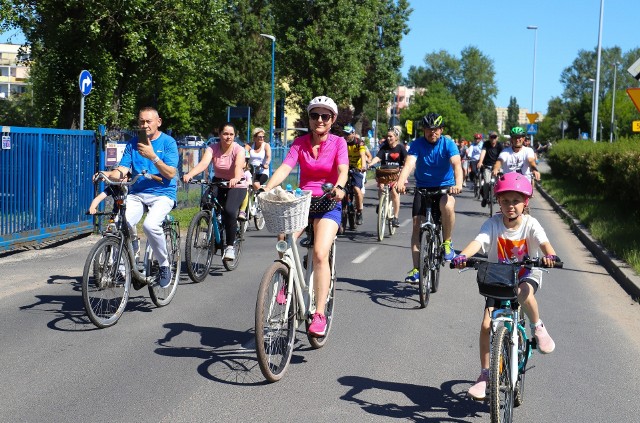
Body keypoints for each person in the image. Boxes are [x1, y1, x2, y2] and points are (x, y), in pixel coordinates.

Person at [451, 173, 559, 400]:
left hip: (526, 273)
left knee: (522, 293)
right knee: (486, 324)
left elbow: (543, 242)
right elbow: (478, 242)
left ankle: (537, 326)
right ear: (498, 201)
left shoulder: (531, 224)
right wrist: (462, 255)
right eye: (505, 200)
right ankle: (485, 375)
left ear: (525, 202)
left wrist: (550, 254)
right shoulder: (492, 223)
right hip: (499, 277)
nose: (511, 205)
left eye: (516, 201)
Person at [264, 95, 348, 337]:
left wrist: (339, 187)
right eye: (314, 115)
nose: (319, 120)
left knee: (321, 254)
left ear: (332, 120)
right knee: (283, 240)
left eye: (324, 116)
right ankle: (286, 281)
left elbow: (343, 170)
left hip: (329, 201)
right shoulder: (299, 143)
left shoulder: (338, 143)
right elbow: (284, 169)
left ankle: (319, 313)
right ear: (309, 119)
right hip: (302, 201)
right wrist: (266, 187)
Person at [97, 107, 179, 288]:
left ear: (158, 122)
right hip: (137, 194)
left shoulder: (168, 143)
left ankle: (164, 265)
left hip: (163, 194)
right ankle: (127, 268)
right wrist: (107, 173)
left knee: (150, 225)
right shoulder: (133, 144)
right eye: (141, 121)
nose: (144, 125)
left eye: (148, 121)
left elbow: (171, 173)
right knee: (121, 223)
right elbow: (122, 171)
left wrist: (153, 157)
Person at [397, 112, 463, 283]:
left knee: (447, 205)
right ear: (424, 130)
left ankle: (447, 243)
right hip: (423, 187)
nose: (432, 133)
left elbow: (457, 165)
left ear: (441, 130)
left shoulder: (448, 144)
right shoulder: (417, 144)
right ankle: (417, 269)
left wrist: (458, 184)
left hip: (444, 187)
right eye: (428, 129)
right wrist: (401, 181)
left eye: (435, 129)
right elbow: (409, 164)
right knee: (417, 226)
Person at [183, 122, 247, 261]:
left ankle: (230, 246)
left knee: (230, 211)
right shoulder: (212, 148)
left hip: (237, 184)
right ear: (219, 135)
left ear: (234, 136)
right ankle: (215, 228)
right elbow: (204, 163)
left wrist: (236, 178)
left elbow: (238, 165)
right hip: (219, 181)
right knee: (205, 202)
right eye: (225, 134)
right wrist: (190, 174)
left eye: (231, 134)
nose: (228, 137)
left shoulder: (238, 149)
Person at [369, 126, 407, 227]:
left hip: (395, 174)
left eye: (391, 136)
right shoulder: (384, 147)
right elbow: (378, 157)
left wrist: (405, 167)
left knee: (394, 192)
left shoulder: (400, 148)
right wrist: (371, 164)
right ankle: (381, 204)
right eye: (387, 136)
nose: (388, 138)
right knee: (381, 189)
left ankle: (395, 217)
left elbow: (406, 160)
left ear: (396, 137)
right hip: (384, 173)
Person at [344, 124, 367, 225]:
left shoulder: (359, 143)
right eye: (345, 134)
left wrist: (363, 166)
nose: (346, 136)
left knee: (357, 190)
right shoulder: (342, 142)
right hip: (345, 168)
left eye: (348, 134)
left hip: (357, 169)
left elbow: (362, 155)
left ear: (353, 134)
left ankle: (359, 212)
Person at [477, 131, 503, 207]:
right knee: (486, 182)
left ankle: (499, 196)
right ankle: (485, 198)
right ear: (489, 138)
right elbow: (483, 152)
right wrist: (480, 161)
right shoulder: (486, 144)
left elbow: (503, 156)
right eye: (491, 137)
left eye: (494, 137)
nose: (493, 139)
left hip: (497, 167)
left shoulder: (500, 145)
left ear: (497, 138)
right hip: (487, 166)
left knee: (500, 181)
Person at [245, 127, 271, 191]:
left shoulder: (266, 145)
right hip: (251, 171)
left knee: (255, 182)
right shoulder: (249, 145)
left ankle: (262, 194)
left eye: (263, 137)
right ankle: (259, 193)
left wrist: (266, 164)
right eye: (260, 137)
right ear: (255, 137)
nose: (262, 138)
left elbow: (268, 157)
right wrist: (245, 164)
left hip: (262, 171)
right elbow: (245, 156)